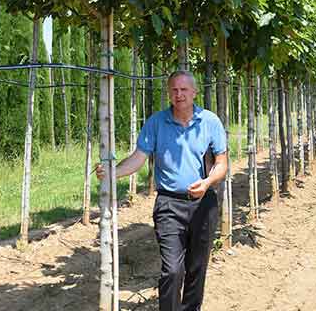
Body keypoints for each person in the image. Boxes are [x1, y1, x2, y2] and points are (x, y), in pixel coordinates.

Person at [95, 69, 228, 311]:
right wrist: (113, 171)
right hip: (168, 205)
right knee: (172, 270)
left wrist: (207, 183)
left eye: (184, 89)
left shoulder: (210, 122)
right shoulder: (156, 122)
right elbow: (138, 157)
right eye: (174, 90)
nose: (179, 95)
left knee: (197, 268)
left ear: (194, 92)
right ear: (169, 93)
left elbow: (222, 164)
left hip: (203, 204)